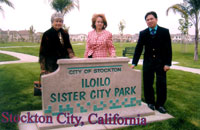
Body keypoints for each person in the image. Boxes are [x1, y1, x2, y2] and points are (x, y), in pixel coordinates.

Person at [131, 11, 172, 113]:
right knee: (148, 83)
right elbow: (138, 48)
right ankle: (150, 102)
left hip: (161, 63)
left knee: (161, 84)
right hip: (148, 63)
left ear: (156, 19)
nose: (149, 21)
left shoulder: (164, 32)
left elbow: (168, 49)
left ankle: (160, 104)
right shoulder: (143, 33)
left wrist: (167, 63)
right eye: (147, 20)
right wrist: (134, 62)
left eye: (151, 19)